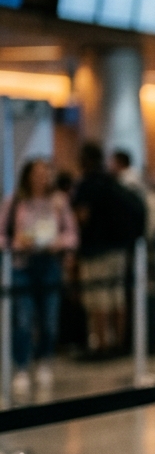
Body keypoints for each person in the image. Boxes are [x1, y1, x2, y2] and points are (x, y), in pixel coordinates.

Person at [0, 160, 78, 396]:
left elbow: (71, 234)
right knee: (23, 318)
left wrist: (60, 243)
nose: (41, 179)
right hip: (22, 264)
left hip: (49, 263)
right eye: (37, 174)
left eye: (45, 174)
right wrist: (17, 243)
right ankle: (22, 365)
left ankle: (44, 360)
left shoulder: (58, 202)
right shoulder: (14, 202)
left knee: (49, 319)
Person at [71, 143, 143, 357]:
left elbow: (81, 217)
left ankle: (101, 346)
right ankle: (119, 343)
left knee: (97, 299)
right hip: (117, 249)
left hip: (96, 251)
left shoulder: (87, 184)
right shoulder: (112, 181)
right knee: (116, 297)